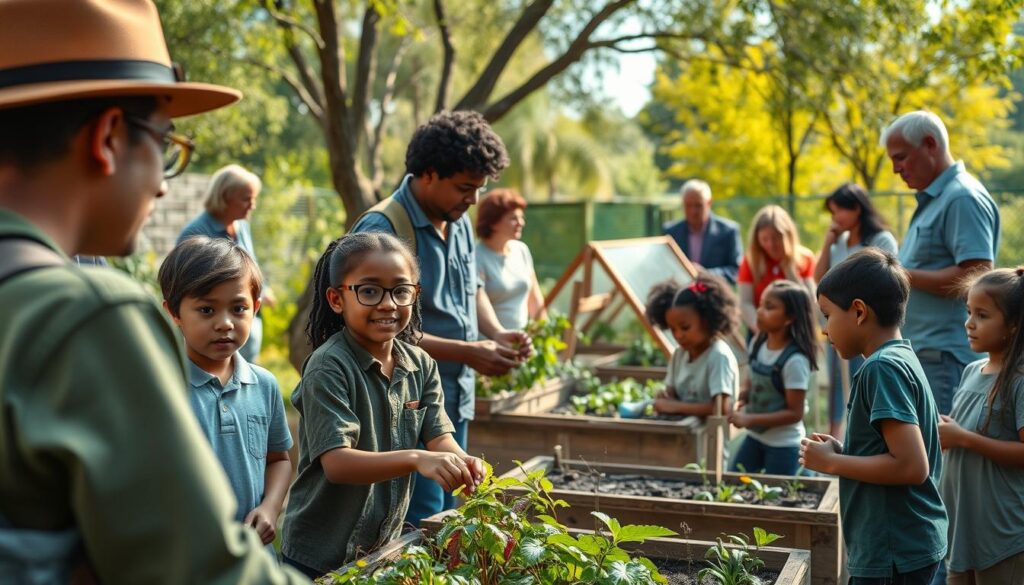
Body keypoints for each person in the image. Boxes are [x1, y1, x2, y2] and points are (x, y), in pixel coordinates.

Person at [0, 0, 307, 582]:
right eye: (165, 145)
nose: (165, 188)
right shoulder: (84, 316)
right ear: (109, 136)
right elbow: (204, 570)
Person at [350, 110, 530, 527]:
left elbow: (472, 289)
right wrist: (467, 352)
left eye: (478, 191)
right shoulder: (382, 230)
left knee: (449, 515)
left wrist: (498, 334)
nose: (472, 200)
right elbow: (374, 332)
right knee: (413, 522)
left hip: (454, 396)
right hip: (403, 405)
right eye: (465, 188)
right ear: (428, 174)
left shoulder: (459, 221)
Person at [280, 233, 485, 577]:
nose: (388, 303)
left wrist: (460, 460)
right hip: (316, 556)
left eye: (401, 290)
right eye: (370, 291)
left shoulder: (421, 365)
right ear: (336, 299)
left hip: (381, 548)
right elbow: (338, 463)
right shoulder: (328, 366)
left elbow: (438, 435)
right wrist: (417, 459)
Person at [802, 249, 947, 584]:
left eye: (827, 315)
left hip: (892, 552)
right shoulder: (902, 358)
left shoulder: (881, 368)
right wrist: (845, 451)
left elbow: (911, 466)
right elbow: (892, 449)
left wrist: (832, 464)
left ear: (858, 312)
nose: (824, 330)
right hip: (907, 546)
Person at [158, 236, 293, 560]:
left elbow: (279, 460)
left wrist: (270, 507)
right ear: (174, 312)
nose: (225, 324)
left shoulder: (264, 384)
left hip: (254, 559)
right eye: (206, 310)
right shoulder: (161, 388)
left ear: (256, 307)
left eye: (238, 308)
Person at [883, 110, 999, 417]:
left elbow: (978, 277)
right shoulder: (936, 199)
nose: (896, 169)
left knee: (940, 455)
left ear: (930, 144)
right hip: (927, 354)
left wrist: (899, 275)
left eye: (901, 157)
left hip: (943, 358)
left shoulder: (961, 198)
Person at [937, 268, 1024, 585]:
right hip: (963, 533)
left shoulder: (1019, 381)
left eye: (982, 315)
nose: (969, 323)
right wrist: (948, 435)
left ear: (1013, 325)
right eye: (969, 312)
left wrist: (964, 439)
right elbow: (963, 434)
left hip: (1003, 538)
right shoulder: (972, 370)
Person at [813, 183, 899, 437]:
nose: (835, 218)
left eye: (839, 210)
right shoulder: (838, 241)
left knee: (862, 377)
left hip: (866, 324)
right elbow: (819, 276)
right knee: (836, 383)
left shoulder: (880, 239)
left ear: (857, 208)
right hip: (839, 322)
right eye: (832, 212)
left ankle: (862, 431)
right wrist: (828, 241)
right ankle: (834, 432)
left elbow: (886, 280)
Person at [178, 164, 276, 362]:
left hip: (244, 321)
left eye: (254, 198)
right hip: (217, 329)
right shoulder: (195, 233)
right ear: (224, 197)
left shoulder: (241, 227)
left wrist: (262, 290)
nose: (253, 205)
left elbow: (250, 266)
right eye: (246, 199)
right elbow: (187, 288)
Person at [729, 280, 817, 476]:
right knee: (733, 482)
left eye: (769, 307)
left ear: (789, 318)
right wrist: (741, 399)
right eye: (760, 305)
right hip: (755, 437)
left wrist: (749, 419)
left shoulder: (795, 361)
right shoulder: (757, 344)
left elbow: (795, 413)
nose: (760, 311)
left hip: (784, 445)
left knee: (780, 497)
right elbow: (750, 384)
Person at [644, 275, 739, 417]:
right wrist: (665, 397)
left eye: (685, 327)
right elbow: (671, 392)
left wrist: (675, 406)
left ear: (706, 320)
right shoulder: (679, 355)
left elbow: (721, 408)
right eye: (673, 329)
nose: (678, 335)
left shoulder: (718, 356)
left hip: (712, 437)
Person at [475, 188, 547, 330]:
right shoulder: (475, 256)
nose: (521, 223)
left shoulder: (521, 250)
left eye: (521, 218)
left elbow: (535, 299)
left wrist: (544, 335)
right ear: (493, 222)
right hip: (491, 345)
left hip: (523, 342)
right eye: (513, 218)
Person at [738, 205, 816, 335]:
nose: (771, 245)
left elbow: (809, 302)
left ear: (788, 236)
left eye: (776, 238)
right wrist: (762, 328)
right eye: (765, 239)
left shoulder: (805, 259)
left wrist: (790, 270)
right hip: (761, 330)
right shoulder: (750, 261)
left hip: (796, 331)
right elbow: (745, 302)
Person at [662, 179, 743, 284]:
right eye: (688, 205)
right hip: (679, 295)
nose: (693, 211)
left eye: (698, 205)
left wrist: (705, 274)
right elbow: (663, 267)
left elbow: (737, 271)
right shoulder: (671, 232)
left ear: (709, 203)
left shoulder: (728, 231)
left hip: (715, 296)